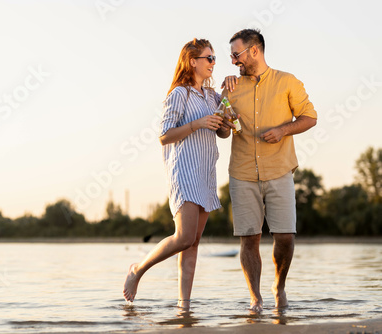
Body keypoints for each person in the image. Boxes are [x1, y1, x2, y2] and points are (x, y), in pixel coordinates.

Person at [123, 38, 230, 309]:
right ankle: (138, 269)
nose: (213, 63)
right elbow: (164, 136)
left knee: (192, 243)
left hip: (206, 173)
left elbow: (225, 132)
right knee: (183, 237)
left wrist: (227, 100)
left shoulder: (211, 96)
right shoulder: (179, 94)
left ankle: (184, 305)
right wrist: (198, 123)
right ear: (192, 61)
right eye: (209, 58)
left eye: (214, 58)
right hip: (184, 171)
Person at [218, 29, 317, 312]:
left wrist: (283, 130)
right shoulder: (230, 88)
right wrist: (225, 126)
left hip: (280, 169)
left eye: (236, 54)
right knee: (249, 238)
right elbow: (225, 133)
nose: (233, 60)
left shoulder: (287, 82)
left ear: (254, 50)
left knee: (285, 236)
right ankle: (256, 297)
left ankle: (279, 286)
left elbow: (310, 117)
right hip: (242, 172)